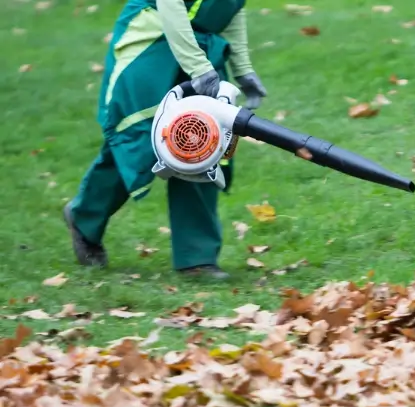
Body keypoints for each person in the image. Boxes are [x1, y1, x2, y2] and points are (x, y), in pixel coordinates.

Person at [63, 0, 267, 280]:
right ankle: (84, 216)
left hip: (201, 49)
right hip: (152, 39)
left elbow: (230, 6)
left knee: (204, 143)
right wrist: (198, 67)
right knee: (140, 143)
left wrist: (243, 68)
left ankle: (197, 259)